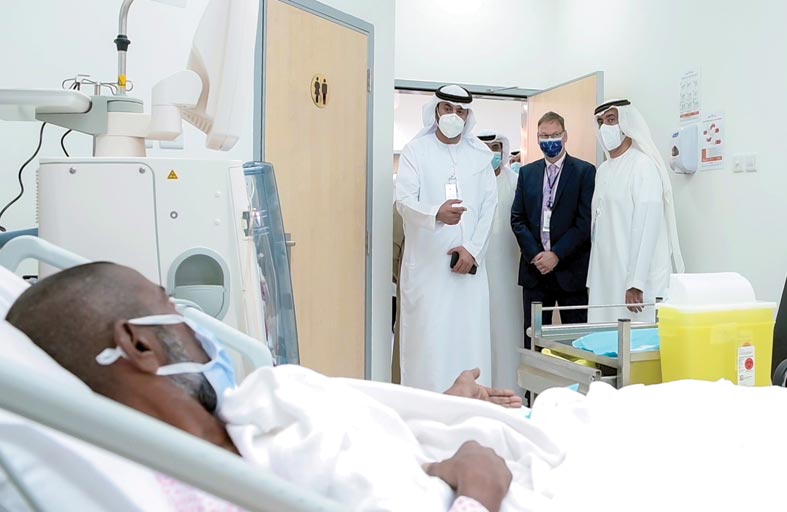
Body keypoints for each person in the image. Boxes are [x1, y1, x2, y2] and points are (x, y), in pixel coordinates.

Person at [5, 262, 519, 512]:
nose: (195, 325)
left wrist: (438, 408)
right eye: (171, 307)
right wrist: (480, 491)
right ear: (140, 344)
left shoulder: (249, 413)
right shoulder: (202, 490)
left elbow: (359, 425)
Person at [395, 84, 498, 392]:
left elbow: (489, 207)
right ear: (436, 110)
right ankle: (428, 409)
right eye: (448, 109)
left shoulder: (480, 156)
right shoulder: (416, 151)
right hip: (428, 272)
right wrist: (435, 213)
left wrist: (473, 250)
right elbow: (403, 202)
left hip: (468, 272)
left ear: (468, 116)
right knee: (429, 344)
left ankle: (473, 403)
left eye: (461, 111)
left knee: (469, 339)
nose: (454, 115)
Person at [588, 99, 684, 323]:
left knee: (631, 338)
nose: (605, 126)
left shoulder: (643, 166)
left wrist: (636, 282)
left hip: (633, 284)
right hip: (606, 277)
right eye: (601, 122)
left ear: (626, 123)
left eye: (611, 119)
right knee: (603, 335)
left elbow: (646, 227)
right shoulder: (603, 170)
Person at [511, 112, 596, 349]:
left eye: (555, 135)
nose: (550, 141)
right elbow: (517, 218)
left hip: (571, 272)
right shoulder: (527, 173)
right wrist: (536, 255)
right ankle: (534, 376)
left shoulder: (584, 172)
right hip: (535, 272)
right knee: (534, 340)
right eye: (544, 136)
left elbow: (584, 222)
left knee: (577, 340)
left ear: (565, 136)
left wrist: (556, 255)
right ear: (537, 138)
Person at [477, 130, 524, 393]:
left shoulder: (516, 182)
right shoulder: (471, 182)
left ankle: (511, 391)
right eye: (485, 147)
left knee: (508, 331)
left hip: (509, 272)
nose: (491, 153)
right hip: (477, 273)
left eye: (495, 147)